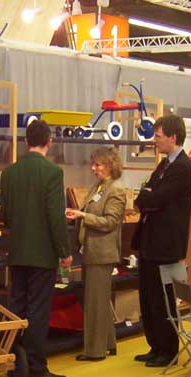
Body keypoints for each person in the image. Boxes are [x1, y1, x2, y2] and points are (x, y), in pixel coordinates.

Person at [0, 119, 72, 377]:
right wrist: (64, 250)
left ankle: (14, 362)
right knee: (39, 311)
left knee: (17, 308)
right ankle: (36, 367)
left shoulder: (9, 174)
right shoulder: (52, 173)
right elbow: (56, 217)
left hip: (17, 252)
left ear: (25, 141)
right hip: (42, 255)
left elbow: (5, 214)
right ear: (49, 142)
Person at [131, 115, 191, 367]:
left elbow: (155, 198)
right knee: (148, 298)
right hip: (150, 243)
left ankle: (168, 349)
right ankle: (154, 345)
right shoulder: (164, 165)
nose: (154, 140)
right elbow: (146, 194)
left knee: (164, 299)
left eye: (158, 136)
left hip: (166, 245)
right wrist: (147, 197)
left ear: (173, 137)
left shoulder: (181, 167)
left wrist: (148, 197)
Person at [65, 148, 126, 361]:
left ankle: (95, 351)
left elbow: (110, 222)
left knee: (95, 303)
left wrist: (83, 215)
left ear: (110, 165)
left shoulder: (116, 190)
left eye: (98, 165)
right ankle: (108, 343)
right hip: (92, 251)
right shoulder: (100, 186)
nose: (93, 168)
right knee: (99, 301)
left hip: (102, 254)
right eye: (93, 164)